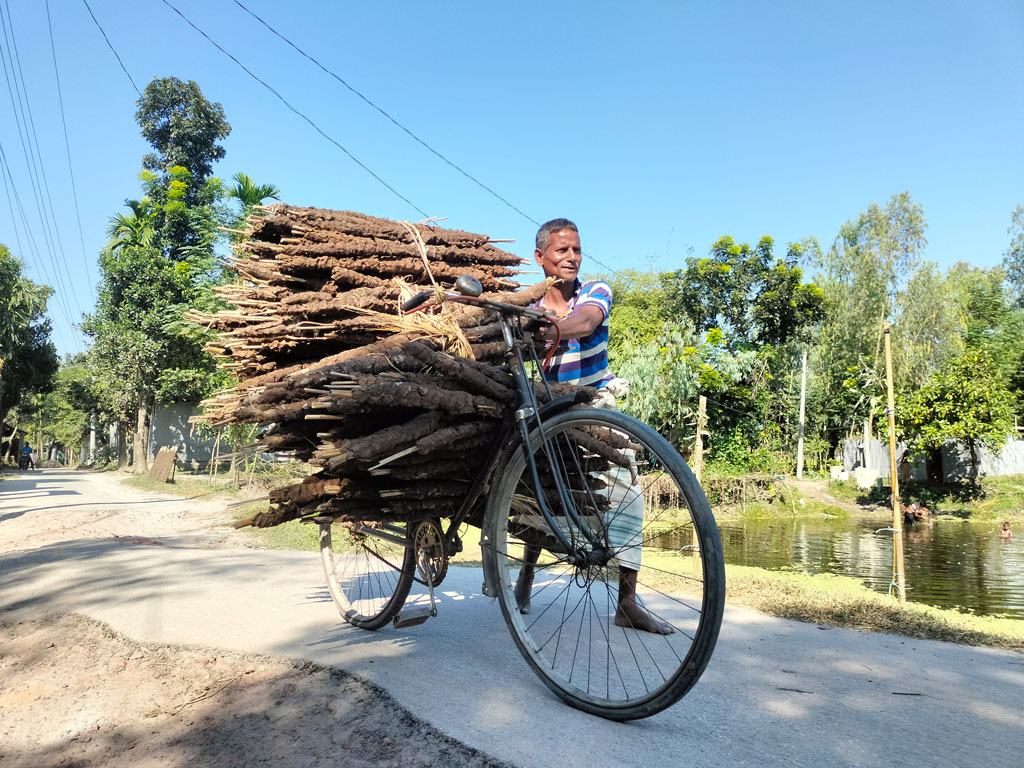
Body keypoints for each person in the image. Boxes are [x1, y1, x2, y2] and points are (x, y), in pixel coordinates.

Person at [513, 218, 673, 635]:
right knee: (542, 491)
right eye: (561, 251)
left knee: (628, 494)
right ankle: (524, 581)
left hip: (595, 406)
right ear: (540, 257)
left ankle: (627, 603)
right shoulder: (525, 309)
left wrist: (548, 331)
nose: (571, 258)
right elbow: (511, 354)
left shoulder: (595, 291)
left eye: (576, 250)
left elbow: (584, 323)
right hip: (547, 409)